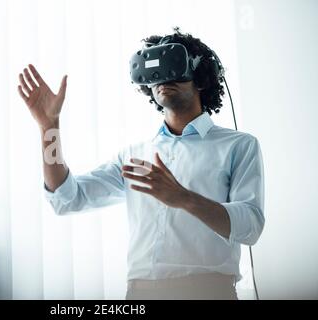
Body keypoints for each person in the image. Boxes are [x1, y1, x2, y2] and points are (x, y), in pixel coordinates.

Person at [17, 28, 264, 300]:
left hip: (207, 291)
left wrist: (182, 197)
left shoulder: (239, 146)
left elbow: (250, 226)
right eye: (156, 70)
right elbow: (67, 199)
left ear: (201, 76)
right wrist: (49, 128)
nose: (164, 78)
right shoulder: (134, 155)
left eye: (173, 64)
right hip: (139, 293)